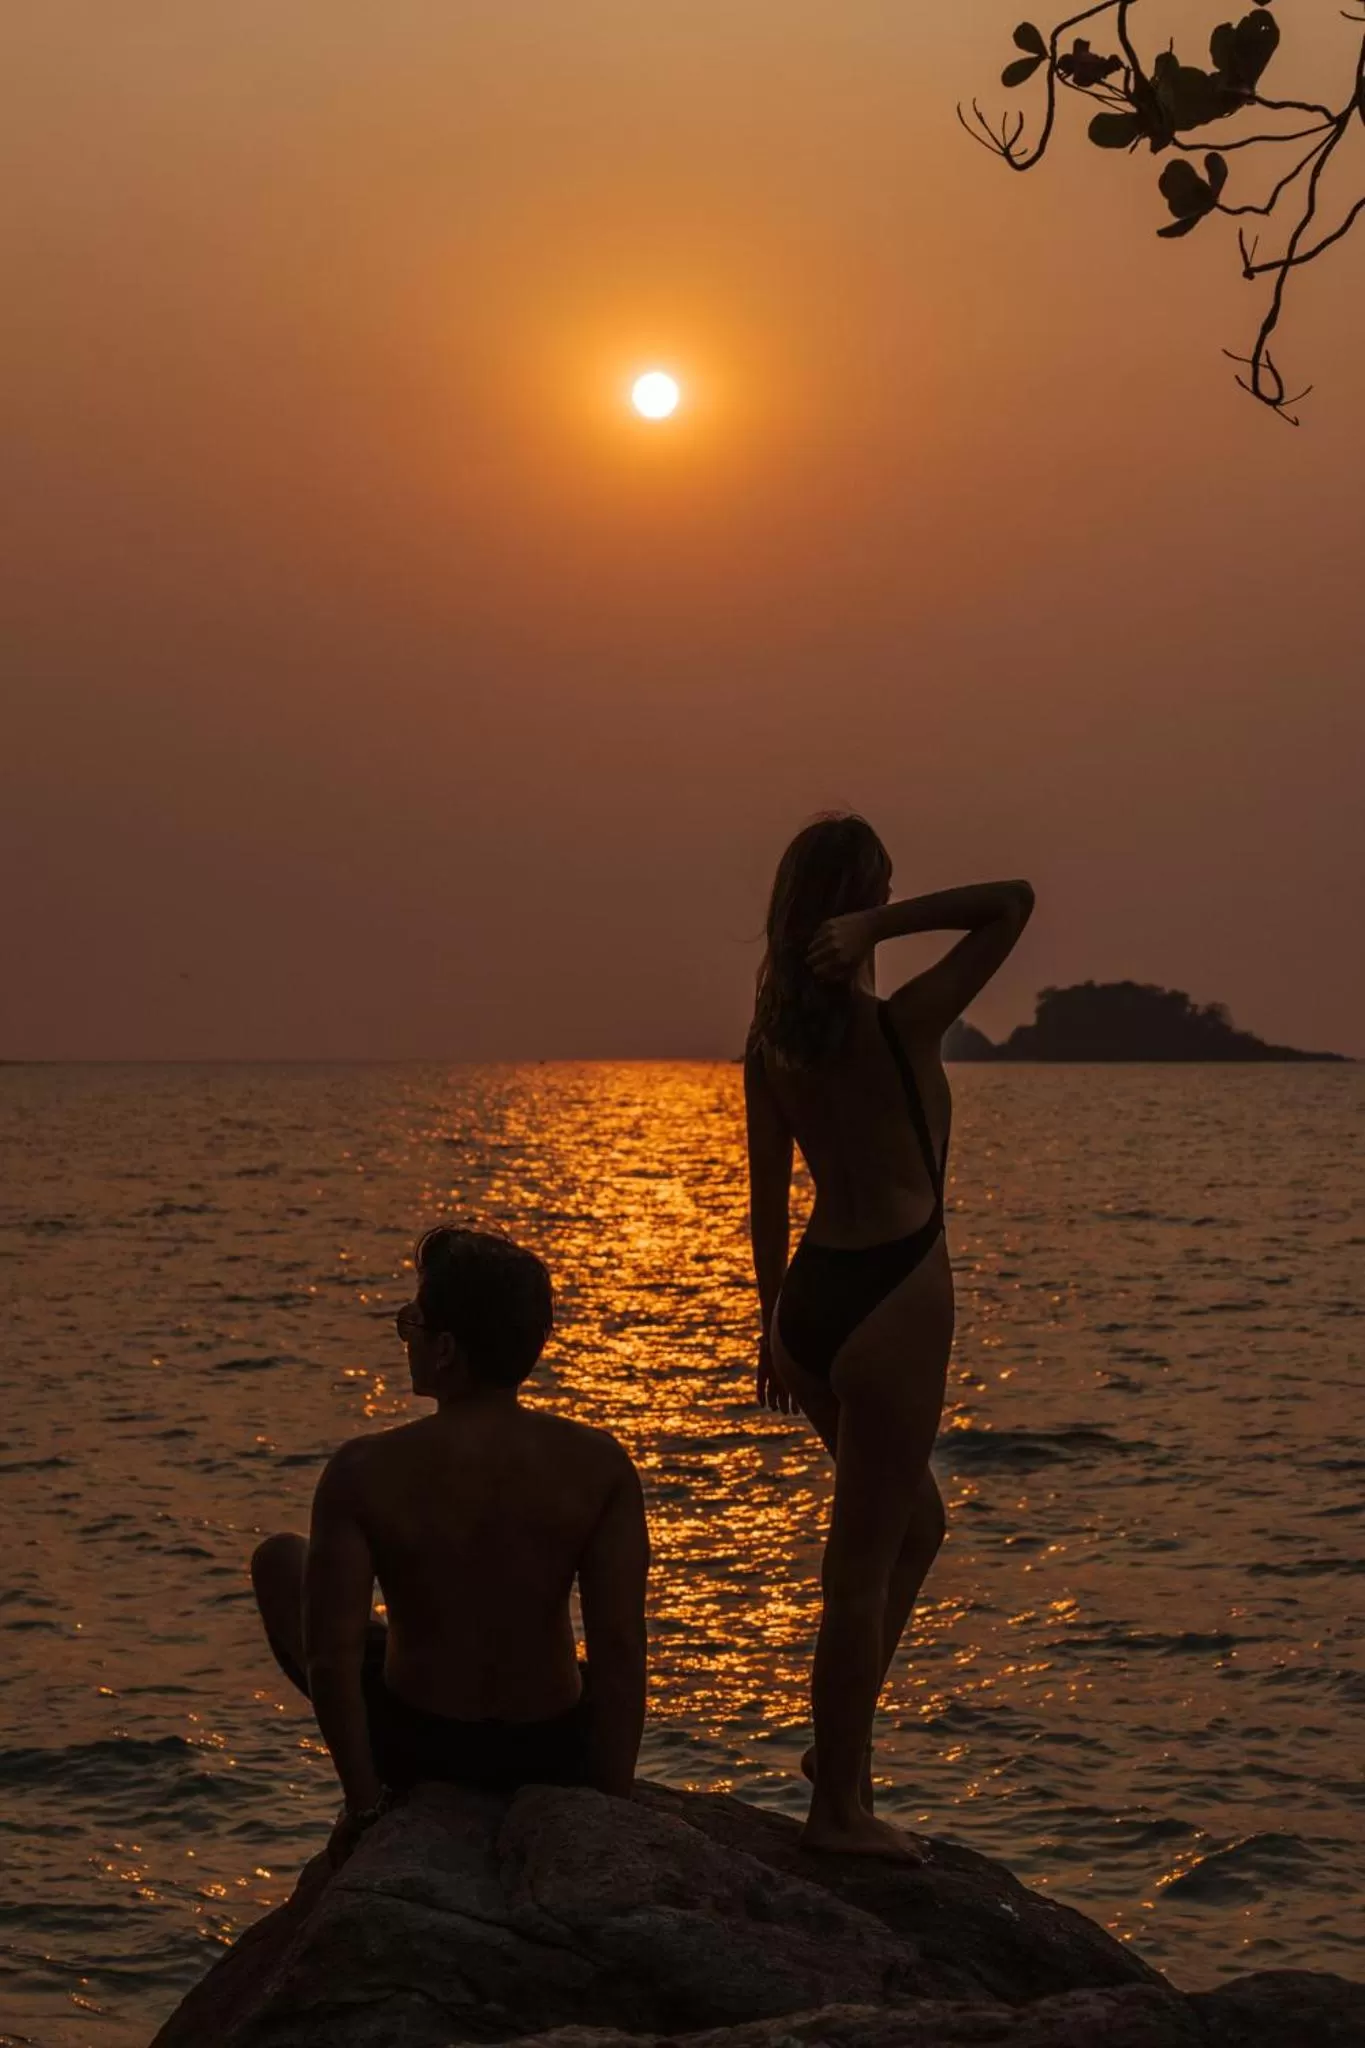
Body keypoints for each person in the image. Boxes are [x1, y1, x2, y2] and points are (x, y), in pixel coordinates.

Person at [744, 814, 1034, 1859]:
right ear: (855, 912)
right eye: (878, 893)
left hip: (810, 1304)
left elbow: (765, 1200)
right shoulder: (905, 1022)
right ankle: (840, 1813)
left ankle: (838, 1751)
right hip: (896, 1287)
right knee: (858, 1566)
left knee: (916, 1527)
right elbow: (1014, 901)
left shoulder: (770, 1042)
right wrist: (885, 924)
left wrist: (770, 1329)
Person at [251, 1225, 649, 1864]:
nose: (404, 1331)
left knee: (278, 1560)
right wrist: (610, 1802)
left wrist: (364, 1807)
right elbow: (621, 1648)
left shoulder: (364, 1471)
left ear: (445, 1351)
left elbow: (329, 1658)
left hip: (421, 1743)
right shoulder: (599, 1465)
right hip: (550, 1744)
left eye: (414, 1321)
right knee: (287, 1561)